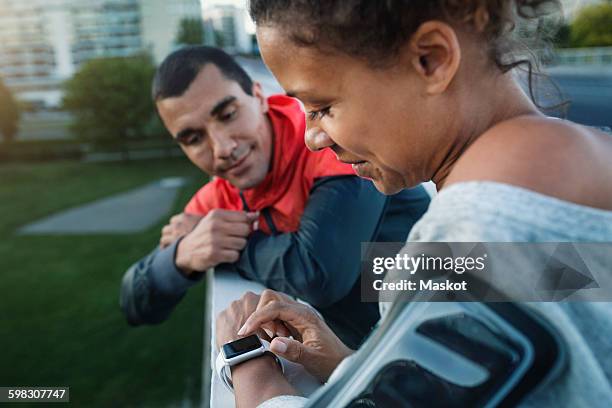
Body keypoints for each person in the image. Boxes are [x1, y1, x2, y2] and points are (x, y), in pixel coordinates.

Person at [215, 0, 612, 407]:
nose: (312, 137)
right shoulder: (580, 164)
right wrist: (357, 365)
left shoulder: (474, 229)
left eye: (322, 107)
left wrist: (251, 367)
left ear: (431, 59)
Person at [119, 46, 430, 347]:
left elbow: (318, 276)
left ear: (259, 96)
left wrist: (228, 245)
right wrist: (183, 255)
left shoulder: (333, 142)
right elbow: (136, 303)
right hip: (366, 355)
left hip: (451, 313)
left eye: (227, 114)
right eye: (193, 138)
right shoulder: (216, 199)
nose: (222, 148)